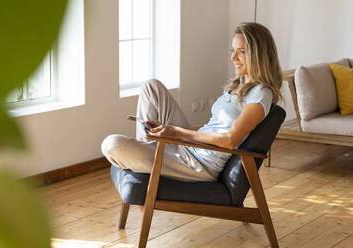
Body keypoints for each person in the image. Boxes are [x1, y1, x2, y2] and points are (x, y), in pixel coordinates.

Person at [101, 22, 283, 182]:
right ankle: (150, 149)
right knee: (152, 88)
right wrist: (167, 129)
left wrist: (178, 133)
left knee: (112, 144)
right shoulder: (238, 86)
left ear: (258, 55)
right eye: (232, 51)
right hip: (191, 148)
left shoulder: (260, 94)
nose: (233, 58)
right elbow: (211, 128)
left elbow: (229, 140)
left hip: (199, 163)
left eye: (241, 52)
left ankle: (146, 160)